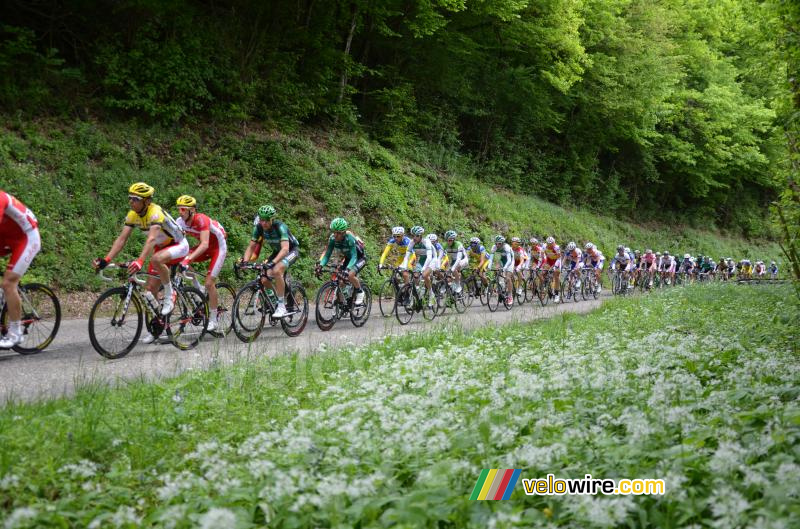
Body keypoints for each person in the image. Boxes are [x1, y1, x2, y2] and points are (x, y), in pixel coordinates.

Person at [94, 183, 189, 344]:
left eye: (135, 199)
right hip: (161, 248)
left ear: (146, 201)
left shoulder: (155, 212)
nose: (131, 202)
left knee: (156, 259)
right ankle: (158, 327)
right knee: (149, 290)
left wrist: (139, 261)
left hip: (178, 245)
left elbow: (151, 239)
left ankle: (169, 293)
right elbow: (122, 239)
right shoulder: (133, 215)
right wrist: (106, 259)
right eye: (130, 198)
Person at [175, 195, 228, 331]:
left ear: (192, 210)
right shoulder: (180, 222)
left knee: (210, 283)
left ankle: (214, 318)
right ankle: (198, 289)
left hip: (218, 247)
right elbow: (177, 243)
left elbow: (204, 244)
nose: (180, 212)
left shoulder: (201, 219)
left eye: (183, 209)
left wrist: (188, 259)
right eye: (178, 209)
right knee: (180, 258)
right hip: (205, 247)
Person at [241, 205, 301, 318]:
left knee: (277, 270)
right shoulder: (258, 228)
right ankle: (275, 302)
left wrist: (273, 263)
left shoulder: (280, 227)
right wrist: (244, 262)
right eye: (261, 220)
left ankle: (281, 306)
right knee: (264, 278)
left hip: (291, 251)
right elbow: (251, 247)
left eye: (266, 220)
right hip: (277, 252)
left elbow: (285, 249)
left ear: (272, 219)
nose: (263, 223)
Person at [0, 190, 41, 348]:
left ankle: (16, 333)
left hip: (27, 238)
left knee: (9, 283)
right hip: (6, 237)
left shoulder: (0, 198)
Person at [318, 217, 367, 305]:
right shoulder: (333, 239)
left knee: (350, 275)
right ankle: (343, 301)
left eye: (338, 233)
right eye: (334, 232)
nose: (335, 235)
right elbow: (327, 254)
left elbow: (354, 256)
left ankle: (360, 292)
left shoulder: (349, 238)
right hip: (348, 258)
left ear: (344, 233)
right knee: (340, 280)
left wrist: (347, 269)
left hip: (359, 258)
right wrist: (320, 265)